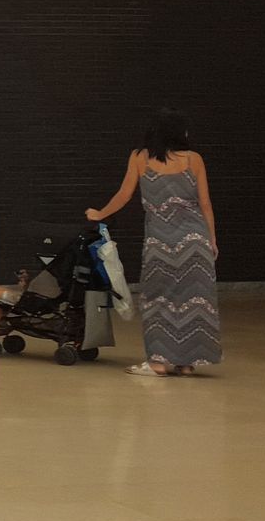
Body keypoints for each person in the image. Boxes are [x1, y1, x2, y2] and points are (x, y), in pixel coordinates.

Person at [87, 110, 222, 377]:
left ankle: (158, 363)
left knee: (158, 299)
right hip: (195, 241)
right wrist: (212, 238)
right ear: (179, 133)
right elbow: (205, 203)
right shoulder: (194, 159)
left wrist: (99, 214)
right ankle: (186, 363)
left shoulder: (140, 157)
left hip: (160, 242)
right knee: (193, 301)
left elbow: (124, 195)